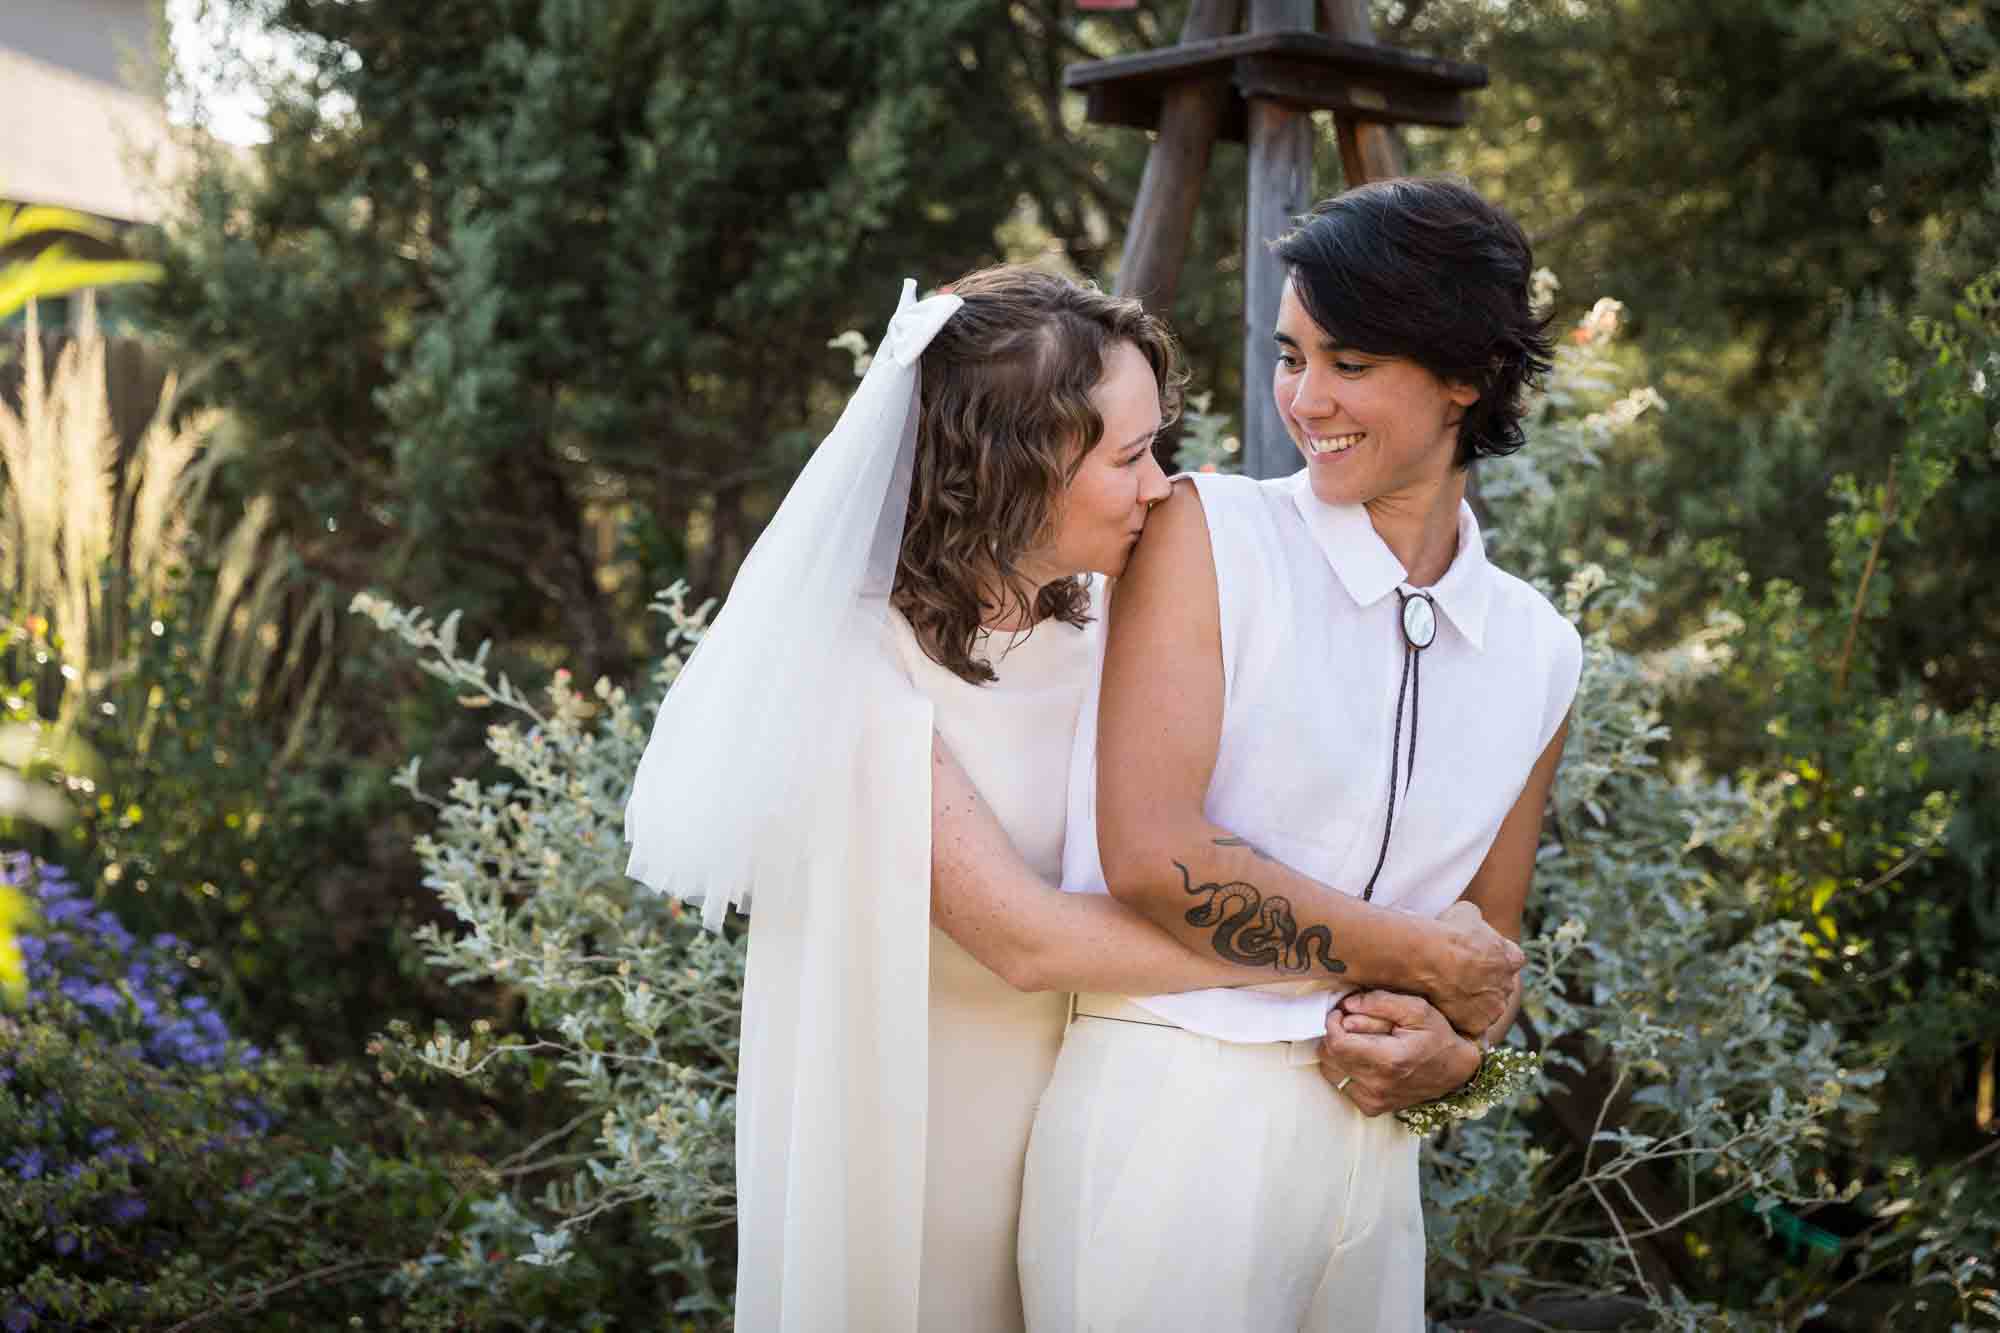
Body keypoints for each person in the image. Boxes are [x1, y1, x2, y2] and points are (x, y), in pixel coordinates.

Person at [623, 264, 1527, 1333]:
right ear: (1010, 466)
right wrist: (1387, 950)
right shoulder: (854, 669)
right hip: (926, 1133)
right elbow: (1030, 941)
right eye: (1129, 455)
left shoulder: (1110, 620)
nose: (1162, 486)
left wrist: (1432, 1012)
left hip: (1129, 1120)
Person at [1018, 177, 1579, 1332]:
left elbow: (1482, 965)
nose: (1302, 399)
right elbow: (1157, 859)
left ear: (1465, 375)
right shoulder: (1206, 534)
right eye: (1290, 355)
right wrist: (1430, 964)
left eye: (1351, 364)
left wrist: (1452, 1061)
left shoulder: (1539, 648)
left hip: (1373, 1164)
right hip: (1171, 1127)